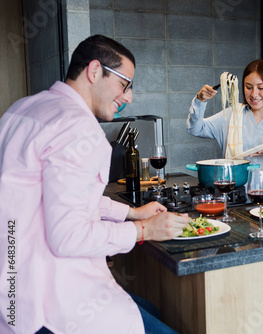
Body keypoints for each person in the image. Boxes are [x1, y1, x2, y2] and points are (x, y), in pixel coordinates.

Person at [0, 35, 190, 334]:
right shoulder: (78, 127)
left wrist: (132, 213)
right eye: (125, 84)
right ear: (94, 70)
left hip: (10, 295)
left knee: (150, 309)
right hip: (52, 305)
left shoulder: (20, 111)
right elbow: (68, 236)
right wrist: (145, 230)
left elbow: (59, 194)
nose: (128, 97)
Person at [187, 59, 263, 201]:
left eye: (261, 88)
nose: (254, 94)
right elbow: (195, 129)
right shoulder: (231, 115)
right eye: (248, 87)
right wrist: (200, 101)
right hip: (238, 202)